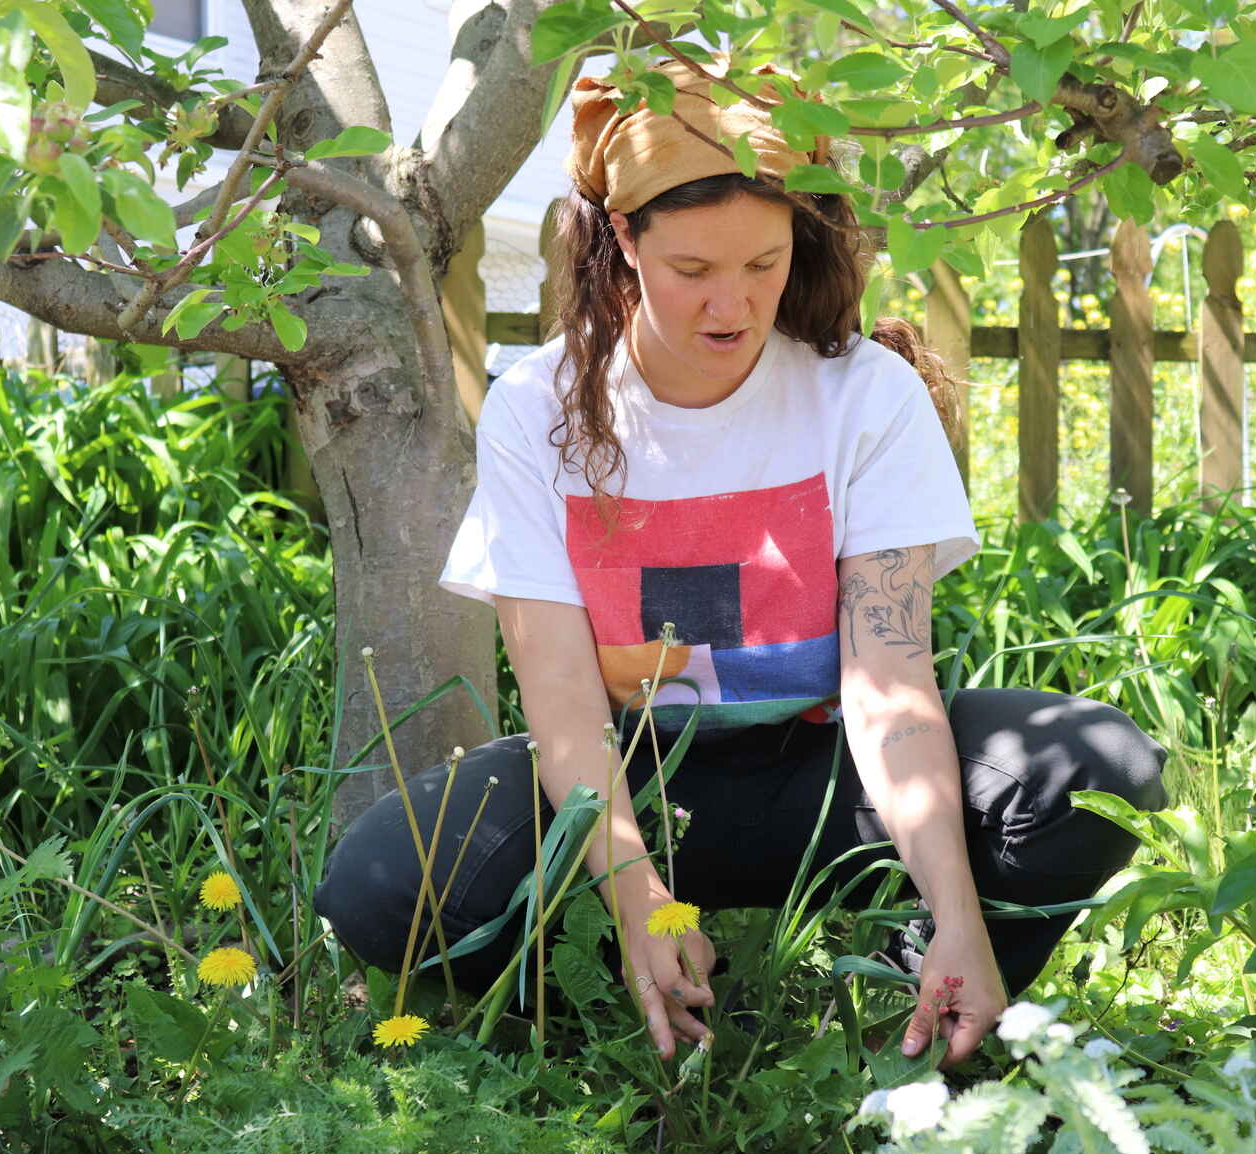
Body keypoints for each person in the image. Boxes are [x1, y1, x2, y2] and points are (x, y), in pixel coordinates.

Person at [314, 54, 1168, 1069]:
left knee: (1097, 768)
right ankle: (625, 1030)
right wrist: (639, 896)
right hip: (632, 777)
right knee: (377, 883)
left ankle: (909, 1007)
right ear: (625, 240)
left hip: (825, 771)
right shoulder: (535, 409)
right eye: (694, 271)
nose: (734, 306)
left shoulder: (865, 397)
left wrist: (959, 912)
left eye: (763, 265)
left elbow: (891, 686)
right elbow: (562, 705)